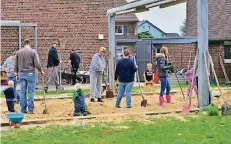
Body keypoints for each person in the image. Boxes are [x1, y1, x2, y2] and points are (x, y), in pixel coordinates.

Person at [15, 39, 44, 113]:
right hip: (31, 73)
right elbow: (37, 63)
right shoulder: (33, 51)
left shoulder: (18, 52)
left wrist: (16, 73)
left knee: (22, 92)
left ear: (24, 44)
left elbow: (16, 64)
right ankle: (30, 109)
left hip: (21, 73)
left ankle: (23, 109)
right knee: (31, 92)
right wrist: (41, 70)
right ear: (30, 44)